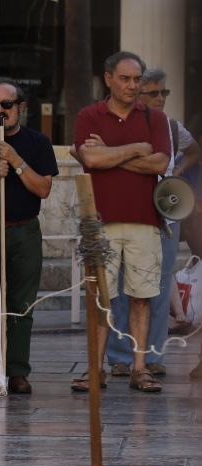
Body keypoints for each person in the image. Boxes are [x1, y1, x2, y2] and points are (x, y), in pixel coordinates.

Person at [70, 52, 170, 394]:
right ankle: (95, 369)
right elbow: (90, 157)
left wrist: (111, 154)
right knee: (101, 298)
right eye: (125, 78)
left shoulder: (155, 118)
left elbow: (158, 164)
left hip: (145, 219)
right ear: (109, 78)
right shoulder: (89, 115)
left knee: (142, 297)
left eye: (137, 79)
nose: (132, 85)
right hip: (101, 222)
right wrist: (135, 149)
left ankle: (139, 368)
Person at [106, 67, 201, 379]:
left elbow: (193, 151)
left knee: (160, 282)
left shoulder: (172, 127)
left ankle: (154, 354)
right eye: (153, 93)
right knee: (122, 284)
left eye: (164, 93)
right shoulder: (122, 123)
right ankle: (121, 356)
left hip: (166, 209)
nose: (160, 98)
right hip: (128, 209)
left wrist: (176, 171)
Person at [0, 78, 58, 395]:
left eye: (7, 105)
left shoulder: (37, 142)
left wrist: (15, 161)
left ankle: (17, 370)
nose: (0, 111)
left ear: (21, 107)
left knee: (21, 304)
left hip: (25, 230)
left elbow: (42, 188)